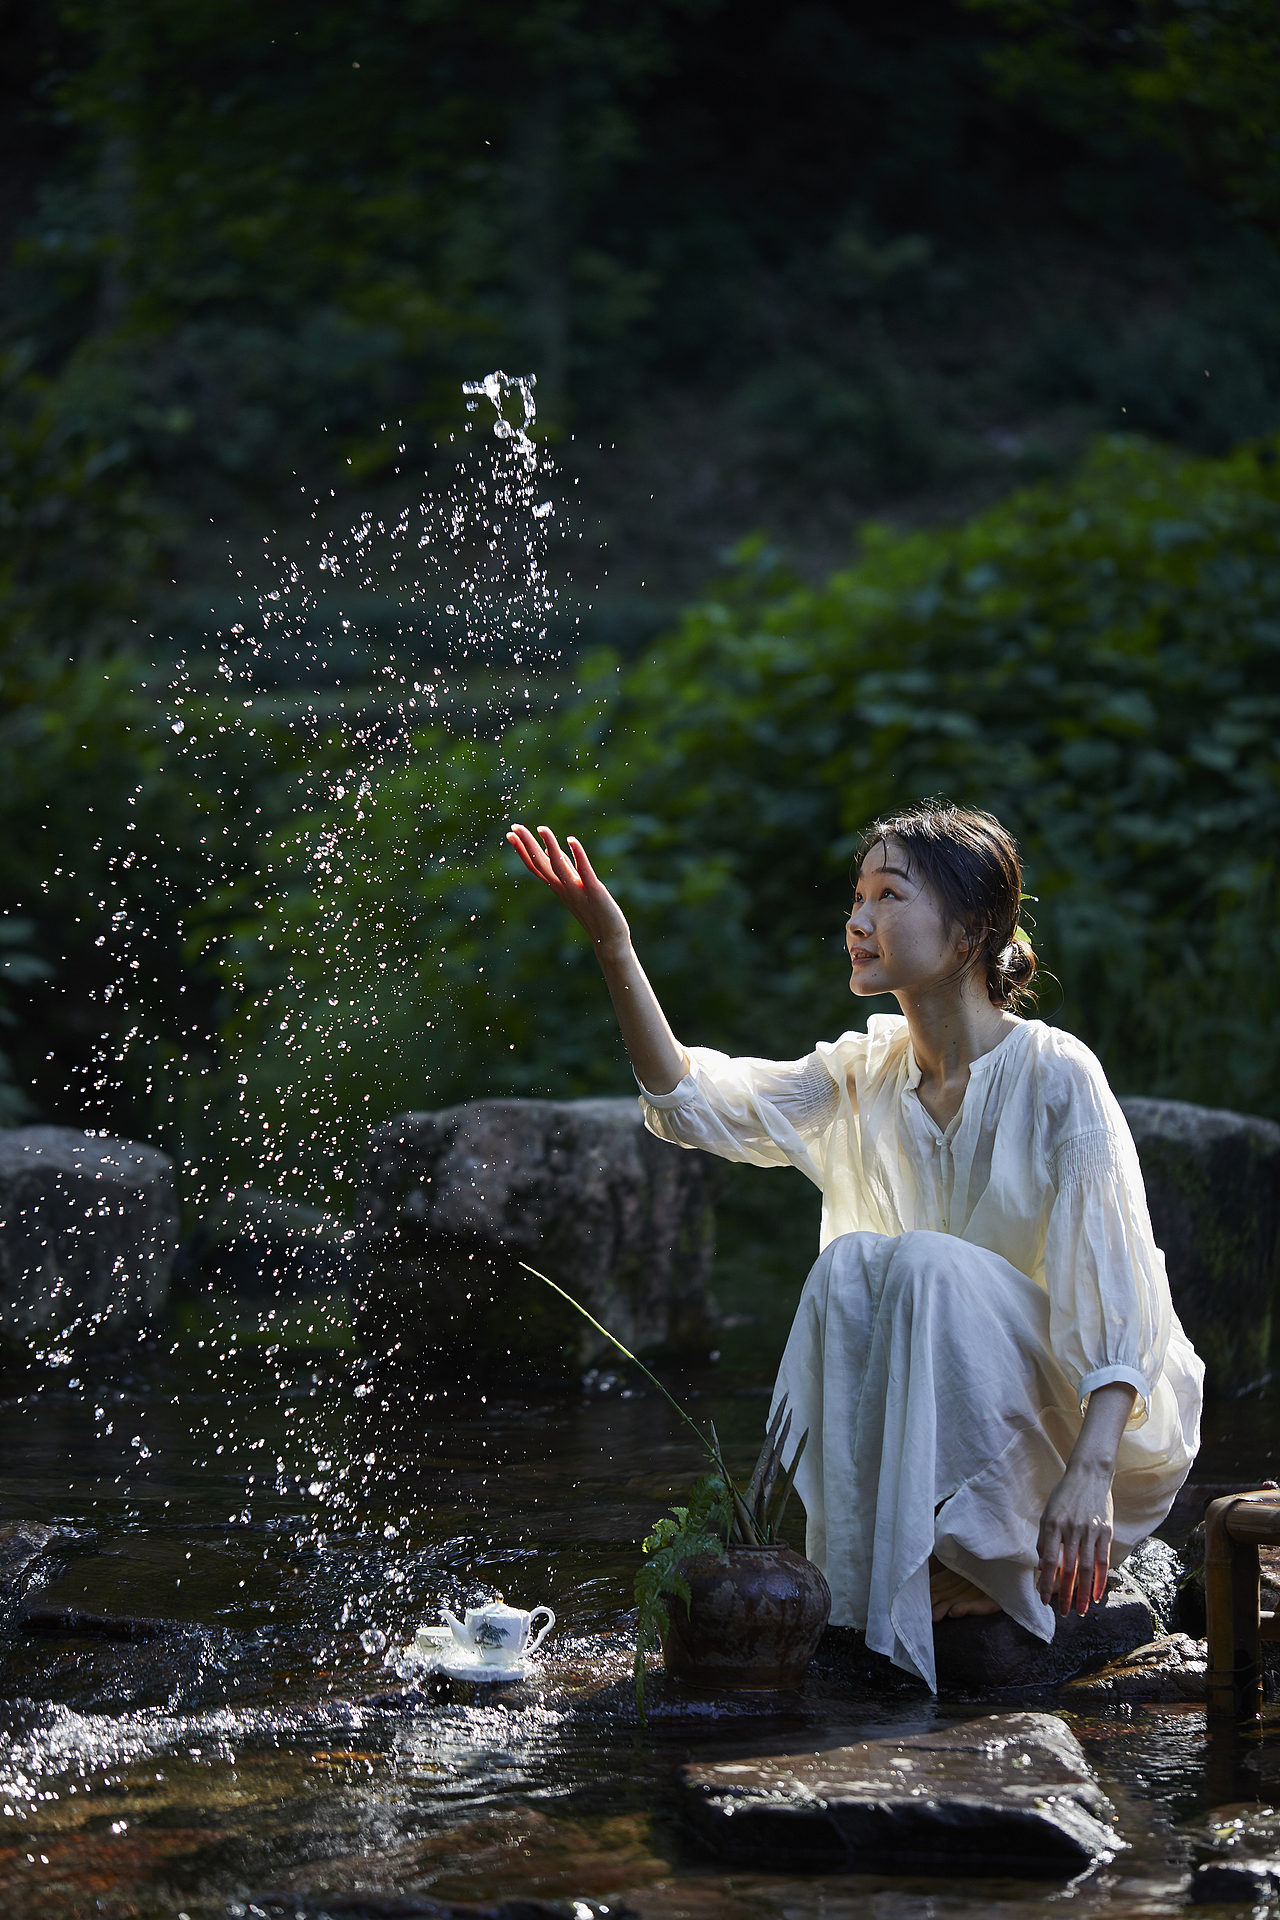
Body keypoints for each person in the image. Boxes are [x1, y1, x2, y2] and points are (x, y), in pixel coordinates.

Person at [506, 802, 1203, 1690]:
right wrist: (613, 944)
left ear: (968, 935)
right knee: (847, 1268)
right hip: (984, 1419)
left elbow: (1117, 1291)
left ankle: (1003, 1560)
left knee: (918, 1262)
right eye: (858, 896)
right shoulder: (864, 1072)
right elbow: (690, 1098)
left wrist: (1090, 1476)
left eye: (888, 896)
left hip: (1092, 1429)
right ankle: (868, 1583)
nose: (858, 920)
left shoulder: (1055, 1072)